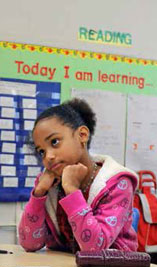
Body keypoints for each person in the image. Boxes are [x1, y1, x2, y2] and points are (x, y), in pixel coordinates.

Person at [18, 98, 138, 253]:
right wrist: (39, 193)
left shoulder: (118, 183)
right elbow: (29, 244)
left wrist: (72, 191)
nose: (48, 156)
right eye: (42, 151)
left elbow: (94, 249)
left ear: (82, 135)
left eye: (54, 142)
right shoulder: (50, 184)